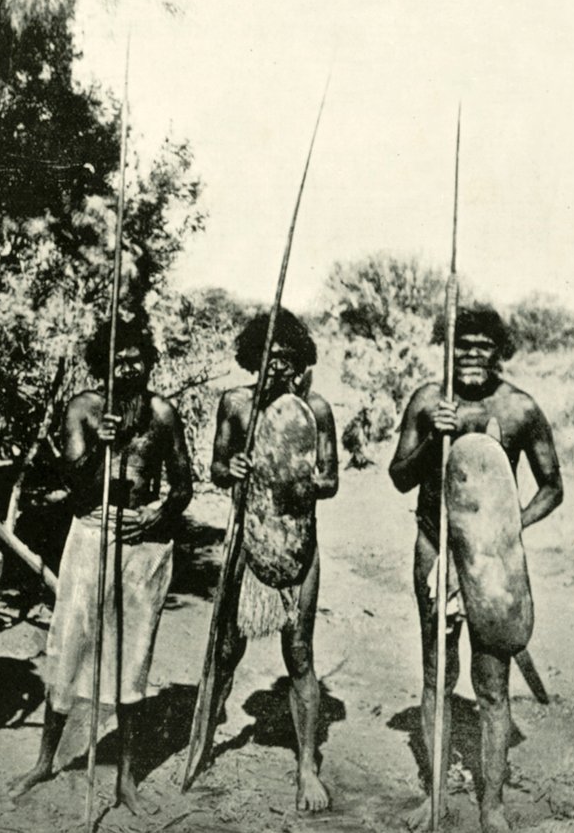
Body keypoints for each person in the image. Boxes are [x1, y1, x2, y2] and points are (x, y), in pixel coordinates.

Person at [8, 317, 193, 814]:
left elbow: (183, 484)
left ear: (150, 362)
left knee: (132, 661)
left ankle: (126, 780)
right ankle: (46, 760)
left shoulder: (163, 414)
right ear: (103, 363)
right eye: (119, 357)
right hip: (91, 532)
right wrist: (100, 448)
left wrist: (158, 512)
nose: (128, 365)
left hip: (145, 545)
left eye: (137, 357)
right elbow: (73, 482)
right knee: (69, 646)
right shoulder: (83, 409)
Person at [389, 305, 563, 833]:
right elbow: (399, 476)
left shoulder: (518, 409)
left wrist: (509, 529)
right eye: (461, 343)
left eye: (482, 345)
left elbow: (552, 486)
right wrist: (427, 440)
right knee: (437, 676)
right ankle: (436, 794)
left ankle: (493, 806)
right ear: (447, 345)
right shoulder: (427, 400)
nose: (470, 354)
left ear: (499, 350)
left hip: (491, 560)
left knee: (491, 684)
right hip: (434, 549)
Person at [209, 309, 338, 812]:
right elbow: (217, 468)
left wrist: (302, 481)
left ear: (299, 362)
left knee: (300, 654)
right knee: (225, 649)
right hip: (247, 538)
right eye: (268, 357)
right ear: (252, 358)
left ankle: (307, 767)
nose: (277, 367)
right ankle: (205, 735)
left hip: (298, 543)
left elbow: (330, 480)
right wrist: (233, 466)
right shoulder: (236, 405)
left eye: (286, 359)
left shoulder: (315, 411)